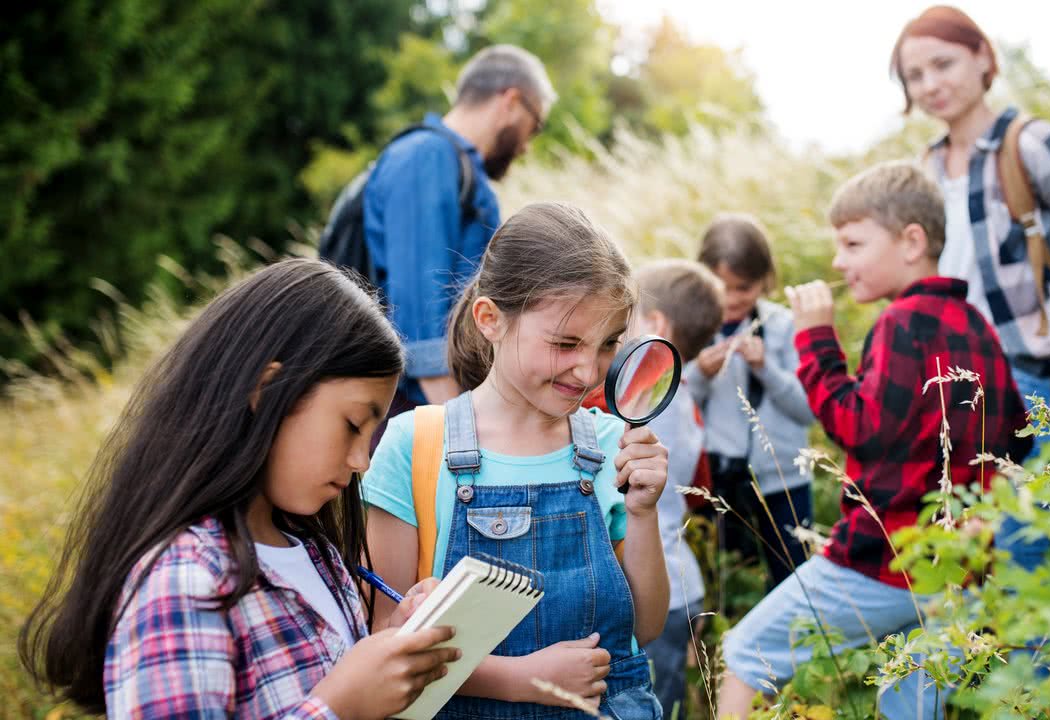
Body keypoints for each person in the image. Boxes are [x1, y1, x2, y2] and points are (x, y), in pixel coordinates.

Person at [19, 259, 460, 718]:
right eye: (352, 424)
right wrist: (338, 708)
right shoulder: (185, 582)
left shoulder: (317, 555)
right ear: (266, 390)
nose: (360, 460)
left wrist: (392, 647)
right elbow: (332, 698)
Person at [716, 162, 1032, 719]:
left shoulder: (901, 323)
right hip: (954, 567)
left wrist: (816, 339)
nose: (839, 262)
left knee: (744, 655)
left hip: (882, 559)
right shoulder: (975, 323)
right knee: (910, 704)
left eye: (853, 243)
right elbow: (1016, 436)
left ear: (912, 242)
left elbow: (858, 429)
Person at [361, 202, 669, 719]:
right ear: (491, 320)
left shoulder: (613, 443)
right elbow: (385, 636)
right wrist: (518, 680)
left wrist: (643, 512)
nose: (588, 369)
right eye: (565, 342)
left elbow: (645, 627)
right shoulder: (415, 446)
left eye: (608, 344)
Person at [892, 5, 1050, 569]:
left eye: (943, 63)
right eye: (915, 75)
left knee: (1017, 554)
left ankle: (1038, 662)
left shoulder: (1033, 145)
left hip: (1027, 377)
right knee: (957, 557)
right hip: (948, 384)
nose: (931, 84)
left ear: (982, 56)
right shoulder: (925, 167)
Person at [363, 44, 556, 424]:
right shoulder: (426, 156)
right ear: (511, 101)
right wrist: (461, 433)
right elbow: (420, 317)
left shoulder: (459, 167)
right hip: (413, 413)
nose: (527, 146)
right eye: (534, 126)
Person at [686, 214, 814, 588]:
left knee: (794, 580)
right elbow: (673, 408)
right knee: (718, 582)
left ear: (765, 281)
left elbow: (807, 410)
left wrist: (767, 368)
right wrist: (699, 376)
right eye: (720, 287)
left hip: (783, 481)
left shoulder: (784, 326)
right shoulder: (691, 328)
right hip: (715, 481)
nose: (731, 300)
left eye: (743, 288)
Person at [629, 259, 723, 720]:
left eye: (627, 318)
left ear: (656, 326)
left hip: (660, 590)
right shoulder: (681, 396)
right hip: (680, 581)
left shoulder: (646, 402)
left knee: (654, 706)